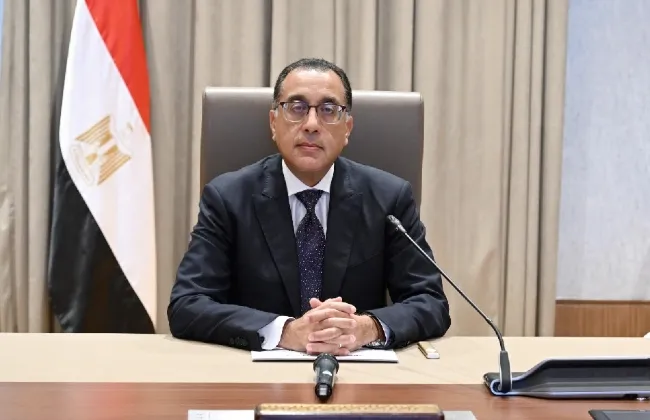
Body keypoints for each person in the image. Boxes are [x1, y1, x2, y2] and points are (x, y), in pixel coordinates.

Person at [168, 58, 451, 356]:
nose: (312, 125)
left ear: (347, 128)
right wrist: (284, 331)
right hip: (255, 373)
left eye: (328, 110)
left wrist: (367, 328)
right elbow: (188, 304)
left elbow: (430, 302)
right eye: (297, 107)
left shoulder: (389, 198)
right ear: (273, 123)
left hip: (357, 370)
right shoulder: (227, 198)